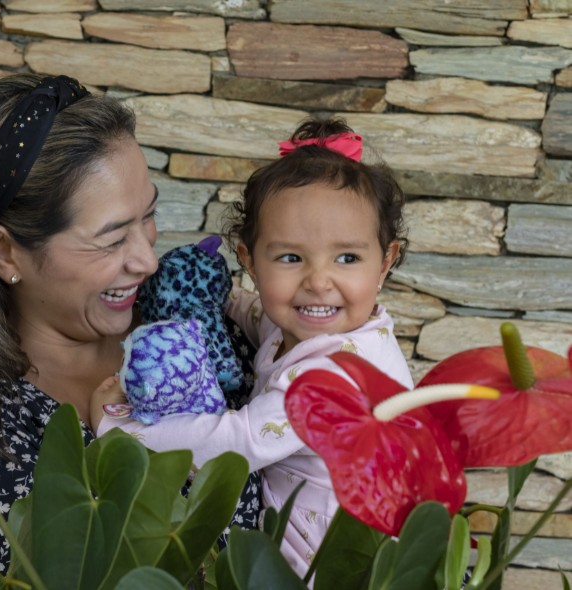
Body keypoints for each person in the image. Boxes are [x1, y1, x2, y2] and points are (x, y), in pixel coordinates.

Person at [0, 73, 261, 571]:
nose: (148, 260)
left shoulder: (192, 319)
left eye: (148, 215)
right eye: (111, 239)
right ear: (4, 251)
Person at [92, 117, 413, 580]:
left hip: (341, 568)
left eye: (347, 258)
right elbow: (260, 317)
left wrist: (123, 430)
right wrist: (215, 298)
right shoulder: (313, 330)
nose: (319, 281)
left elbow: (235, 445)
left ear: (385, 262)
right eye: (290, 258)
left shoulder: (338, 377)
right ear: (249, 261)